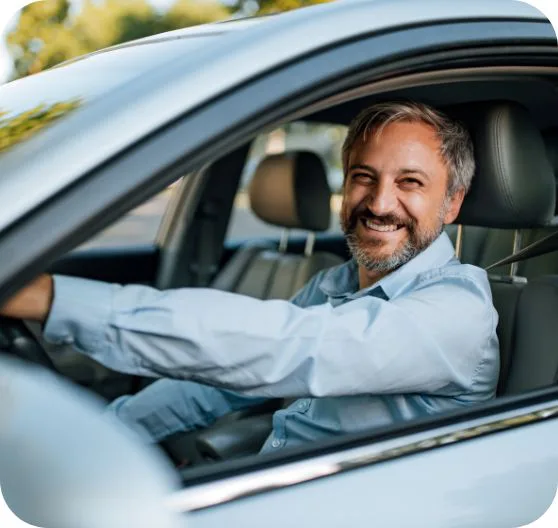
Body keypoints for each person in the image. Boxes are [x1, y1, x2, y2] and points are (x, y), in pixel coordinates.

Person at [1, 101, 499, 454]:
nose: (380, 202)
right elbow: (210, 388)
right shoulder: (332, 284)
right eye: (363, 177)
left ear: (452, 202)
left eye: (410, 182)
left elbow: (287, 346)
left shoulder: (459, 311)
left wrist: (51, 297)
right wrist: (103, 436)